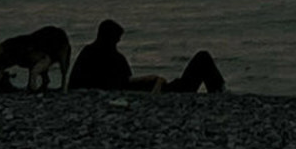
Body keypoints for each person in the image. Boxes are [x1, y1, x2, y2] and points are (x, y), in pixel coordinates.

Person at [69, 19, 226, 93]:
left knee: (201, 59)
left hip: (152, 89)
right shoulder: (111, 58)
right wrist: (154, 80)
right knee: (202, 58)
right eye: (117, 39)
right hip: (160, 91)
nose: (118, 42)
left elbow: (75, 84)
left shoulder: (89, 54)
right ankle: (219, 91)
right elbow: (126, 82)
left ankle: (218, 90)